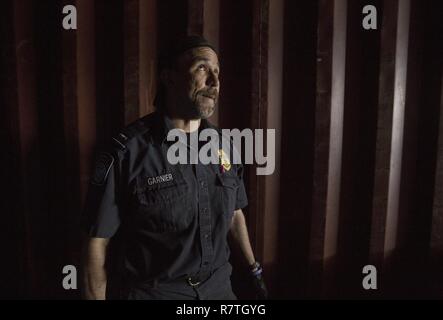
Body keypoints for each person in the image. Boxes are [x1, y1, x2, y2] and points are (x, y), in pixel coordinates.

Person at [82, 36, 267, 300]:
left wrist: (253, 271)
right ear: (168, 77)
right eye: (202, 68)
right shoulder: (126, 152)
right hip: (155, 292)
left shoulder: (226, 146)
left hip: (218, 289)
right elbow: (96, 245)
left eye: (217, 72)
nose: (214, 83)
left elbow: (234, 214)